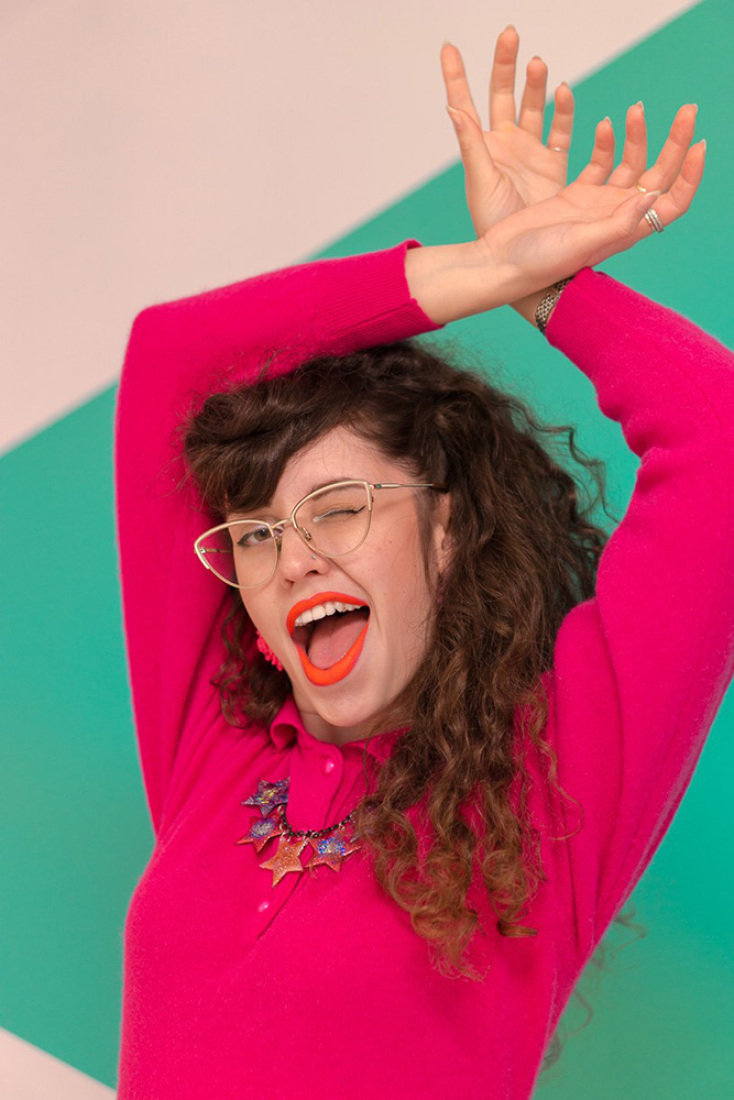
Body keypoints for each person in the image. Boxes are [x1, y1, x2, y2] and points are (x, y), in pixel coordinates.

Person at [113, 26, 732, 1100]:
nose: (291, 557)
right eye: (256, 533)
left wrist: (547, 288)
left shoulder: (550, 784)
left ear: (444, 531)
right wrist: (483, 266)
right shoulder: (211, 748)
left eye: (337, 508)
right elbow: (170, 359)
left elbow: (716, 433)